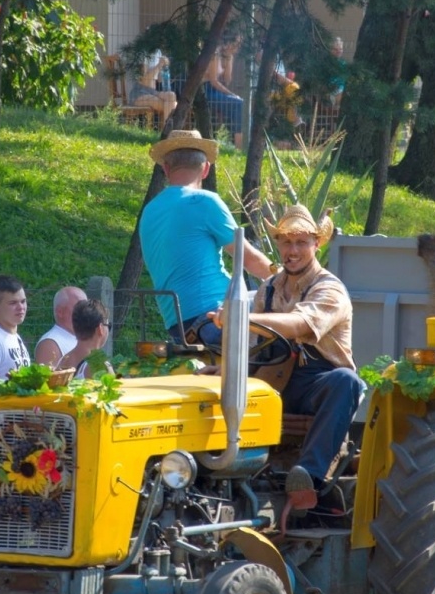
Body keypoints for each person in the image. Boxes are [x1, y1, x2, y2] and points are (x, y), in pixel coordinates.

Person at [209, 205, 364, 514]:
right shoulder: (268, 289)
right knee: (208, 384)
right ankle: (213, 473)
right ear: (277, 244)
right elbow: (252, 345)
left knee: (346, 382)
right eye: (286, 242)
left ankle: (308, 475)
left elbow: (299, 325)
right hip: (274, 377)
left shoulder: (330, 289)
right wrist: (224, 370)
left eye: (301, 243)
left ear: (316, 244)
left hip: (316, 383)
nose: (292, 251)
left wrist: (240, 316)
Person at [140, 129, 275, 343]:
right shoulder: (204, 201)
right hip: (213, 318)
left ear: (166, 168)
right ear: (205, 169)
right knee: (290, 319)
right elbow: (249, 260)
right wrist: (288, 279)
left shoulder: (149, 211)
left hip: (178, 327)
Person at [204, 33, 246, 145]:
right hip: (205, 89)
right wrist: (231, 94)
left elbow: (227, 80)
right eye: (236, 44)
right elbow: (213, 81)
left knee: (240, 105)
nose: (237, 48)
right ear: (227, 43)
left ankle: (237, 142)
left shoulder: (228, 56)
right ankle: (239, 144)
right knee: (239, 103)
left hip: (216, 89)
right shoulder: (215, 54)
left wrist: (228, 59)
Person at [33, 285, 87, 369]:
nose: (85, 312)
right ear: (60, 312)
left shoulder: (82, 339)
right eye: (79, 308)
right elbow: (47, 381)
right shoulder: (49, 344)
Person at [131, 46, 177, 127]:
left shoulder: (158, 52)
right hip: (140, 92)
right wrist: (159, 65)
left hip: (153, 92)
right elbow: (144, 79)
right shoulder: (142, 52)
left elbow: (159, 79)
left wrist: (166, 71)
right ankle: (167, 131)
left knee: (171, 96)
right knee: (171, 105)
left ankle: (166, 131)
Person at [67, 298, 111, 378]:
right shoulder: (99, 364)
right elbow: (113, 390)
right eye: (108, 326)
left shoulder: (64, 359)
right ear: (100, 328)